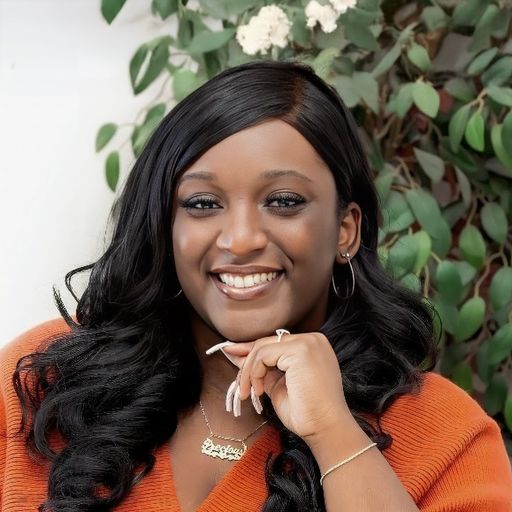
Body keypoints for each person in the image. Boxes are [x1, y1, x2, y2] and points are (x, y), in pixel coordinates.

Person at [1, 60, 511, 512]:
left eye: (284, 201)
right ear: (165, 226)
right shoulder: (40, 384)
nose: (241, 240)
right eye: (202, 204)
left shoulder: (447, 437)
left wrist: (335, 433)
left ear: (345, 231)